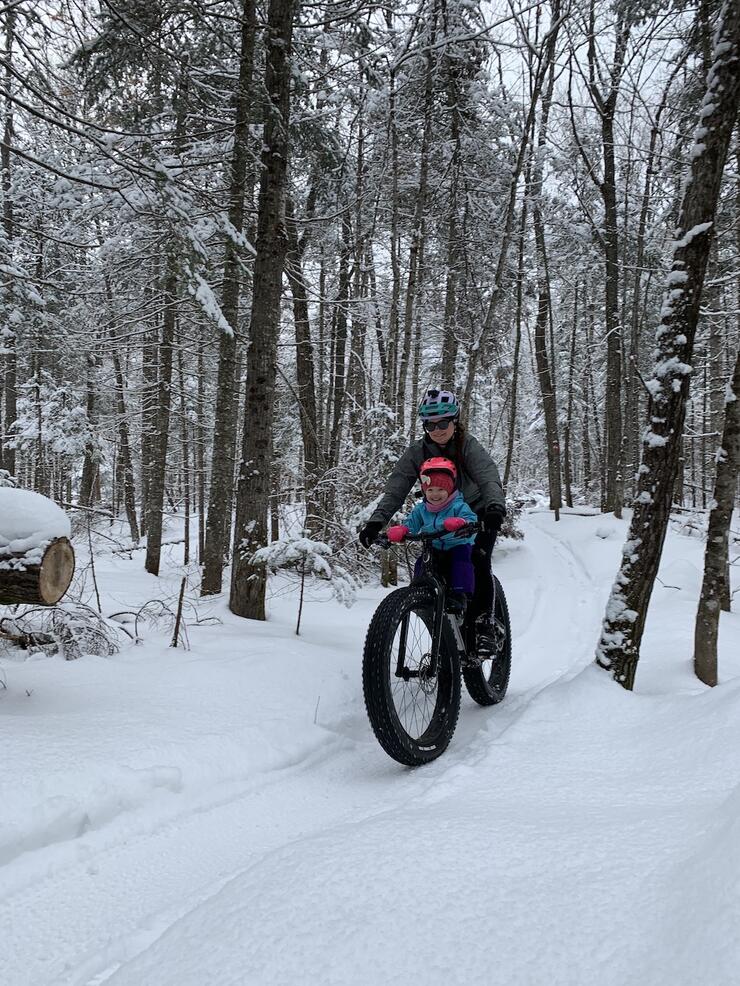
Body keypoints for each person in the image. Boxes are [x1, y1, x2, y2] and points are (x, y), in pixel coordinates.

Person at [359, 387, 506, 655]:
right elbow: (397, 487)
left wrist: (495, 508)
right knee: (431, 567)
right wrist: (375, 523)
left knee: (478, 558)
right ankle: (442, 626)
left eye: (443, 423)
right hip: (438, 516)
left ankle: (485, 624)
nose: (437, 429)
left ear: (455, 420)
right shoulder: (417, 452)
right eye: (430, 424)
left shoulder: (467, 446)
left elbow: (488, 476)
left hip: (476, 512)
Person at [386, 457, 477, 613]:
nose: (435, 494)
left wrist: (461, 523)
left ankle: (459, 596)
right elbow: (412, 523)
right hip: (434, 546)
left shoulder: (458, 505)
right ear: (424, 491)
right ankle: (419, 592)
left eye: (441, 489)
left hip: (457, 545)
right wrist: (403, 530)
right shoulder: (422, 509)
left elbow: (470, 519)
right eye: (430, 490)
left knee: (460, 561)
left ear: (449, 489)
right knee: (421, 564)